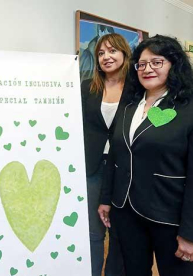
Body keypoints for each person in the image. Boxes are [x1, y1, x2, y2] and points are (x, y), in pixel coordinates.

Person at [98, 35, 193, 276]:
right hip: (127, 213)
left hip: (170, 218)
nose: (147, 69)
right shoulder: (130, 105)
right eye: (141, 64)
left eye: (157, 62)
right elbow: (116, 155)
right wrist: (107, 198)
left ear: (174, 64)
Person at [81, 33, 131, 276]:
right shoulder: (87, 87)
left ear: (124, 53)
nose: (106, 57)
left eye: (112, 51)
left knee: (121, 231)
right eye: (101, 53)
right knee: (94, 231)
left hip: (125, 168)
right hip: (92, 166)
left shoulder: (137, 88)